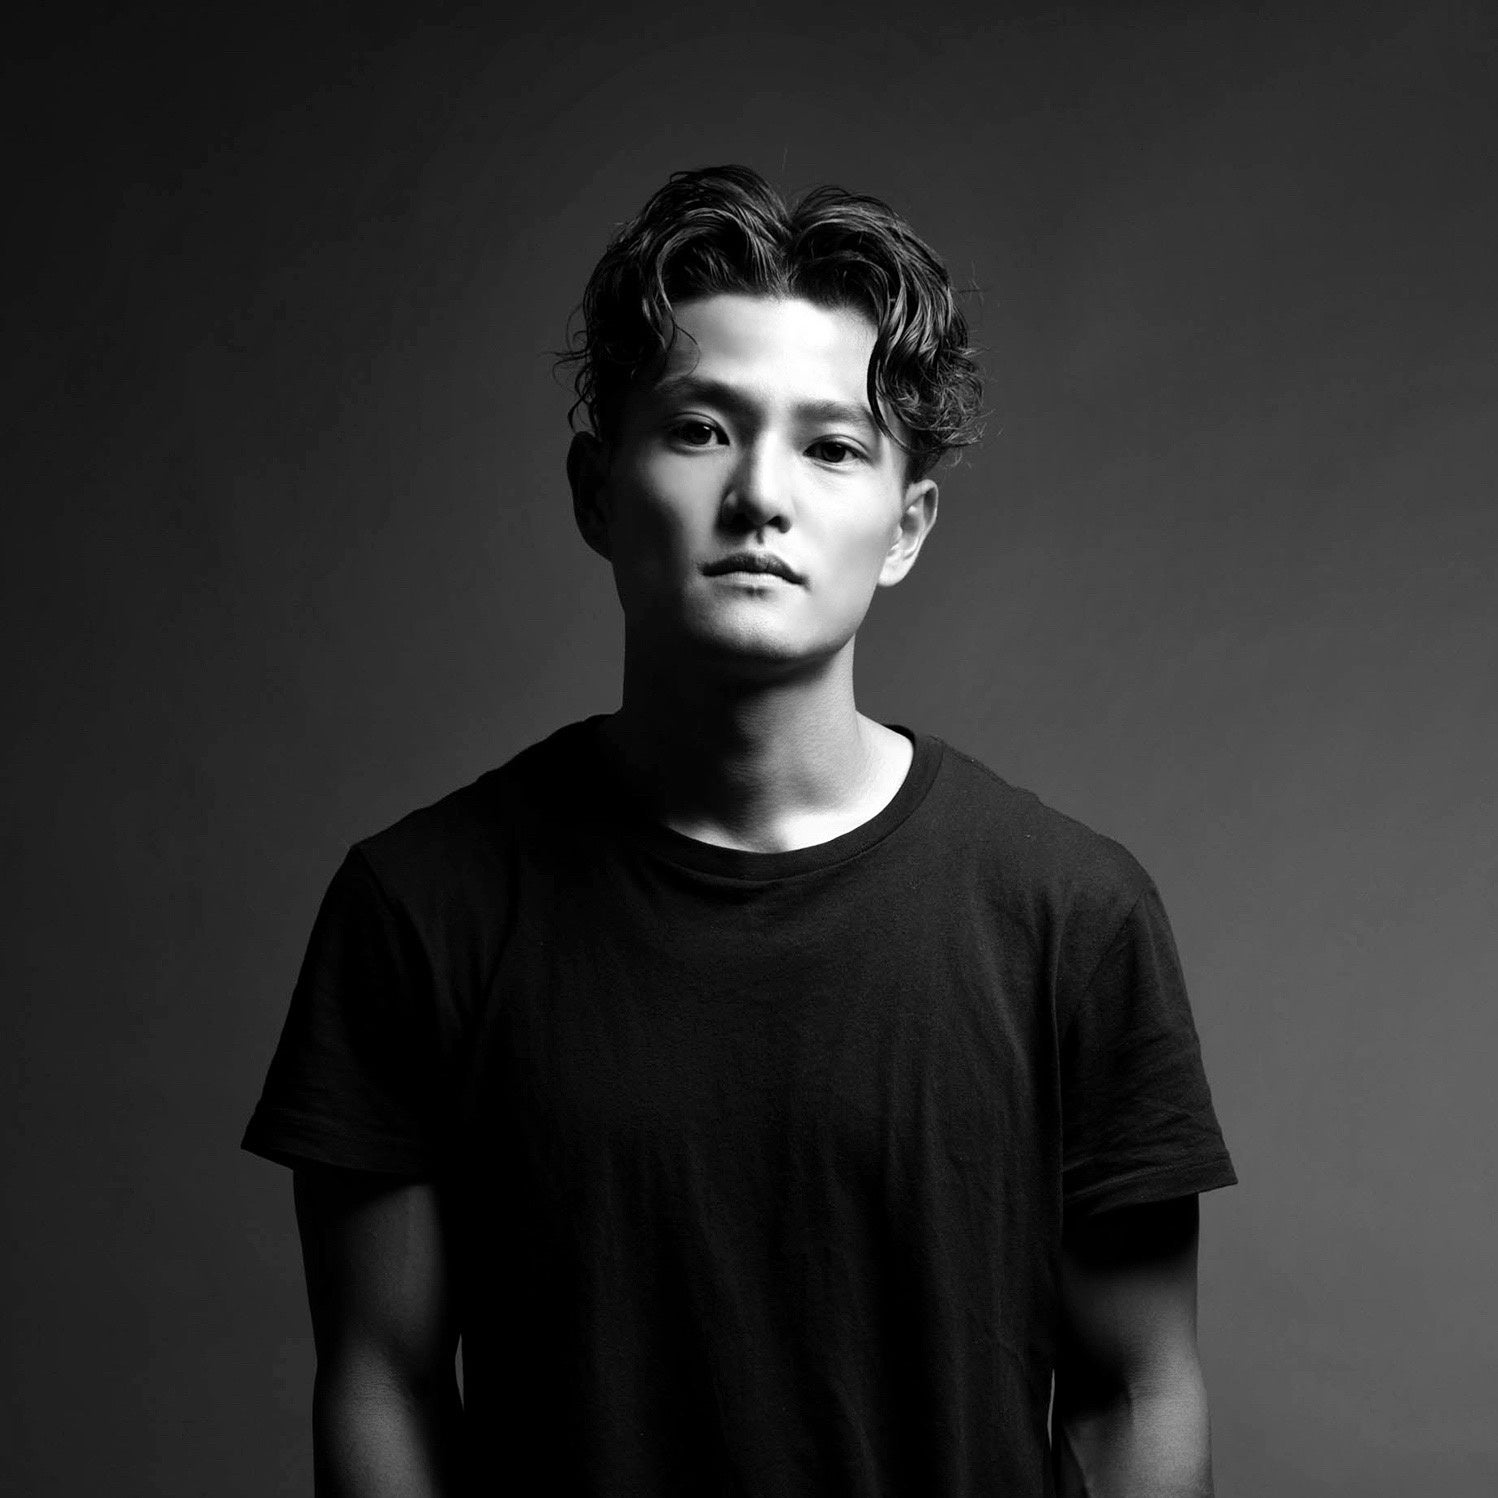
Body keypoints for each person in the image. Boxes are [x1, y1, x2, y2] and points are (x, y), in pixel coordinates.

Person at [243, 164, 1236, 1497]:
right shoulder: (420, 907)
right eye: (701, 428)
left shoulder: (1070, 914)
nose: (760, 493)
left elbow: (1138, 1387)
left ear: (906, 527)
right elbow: (383, 1381)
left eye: (832, 447)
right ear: (596, 491)